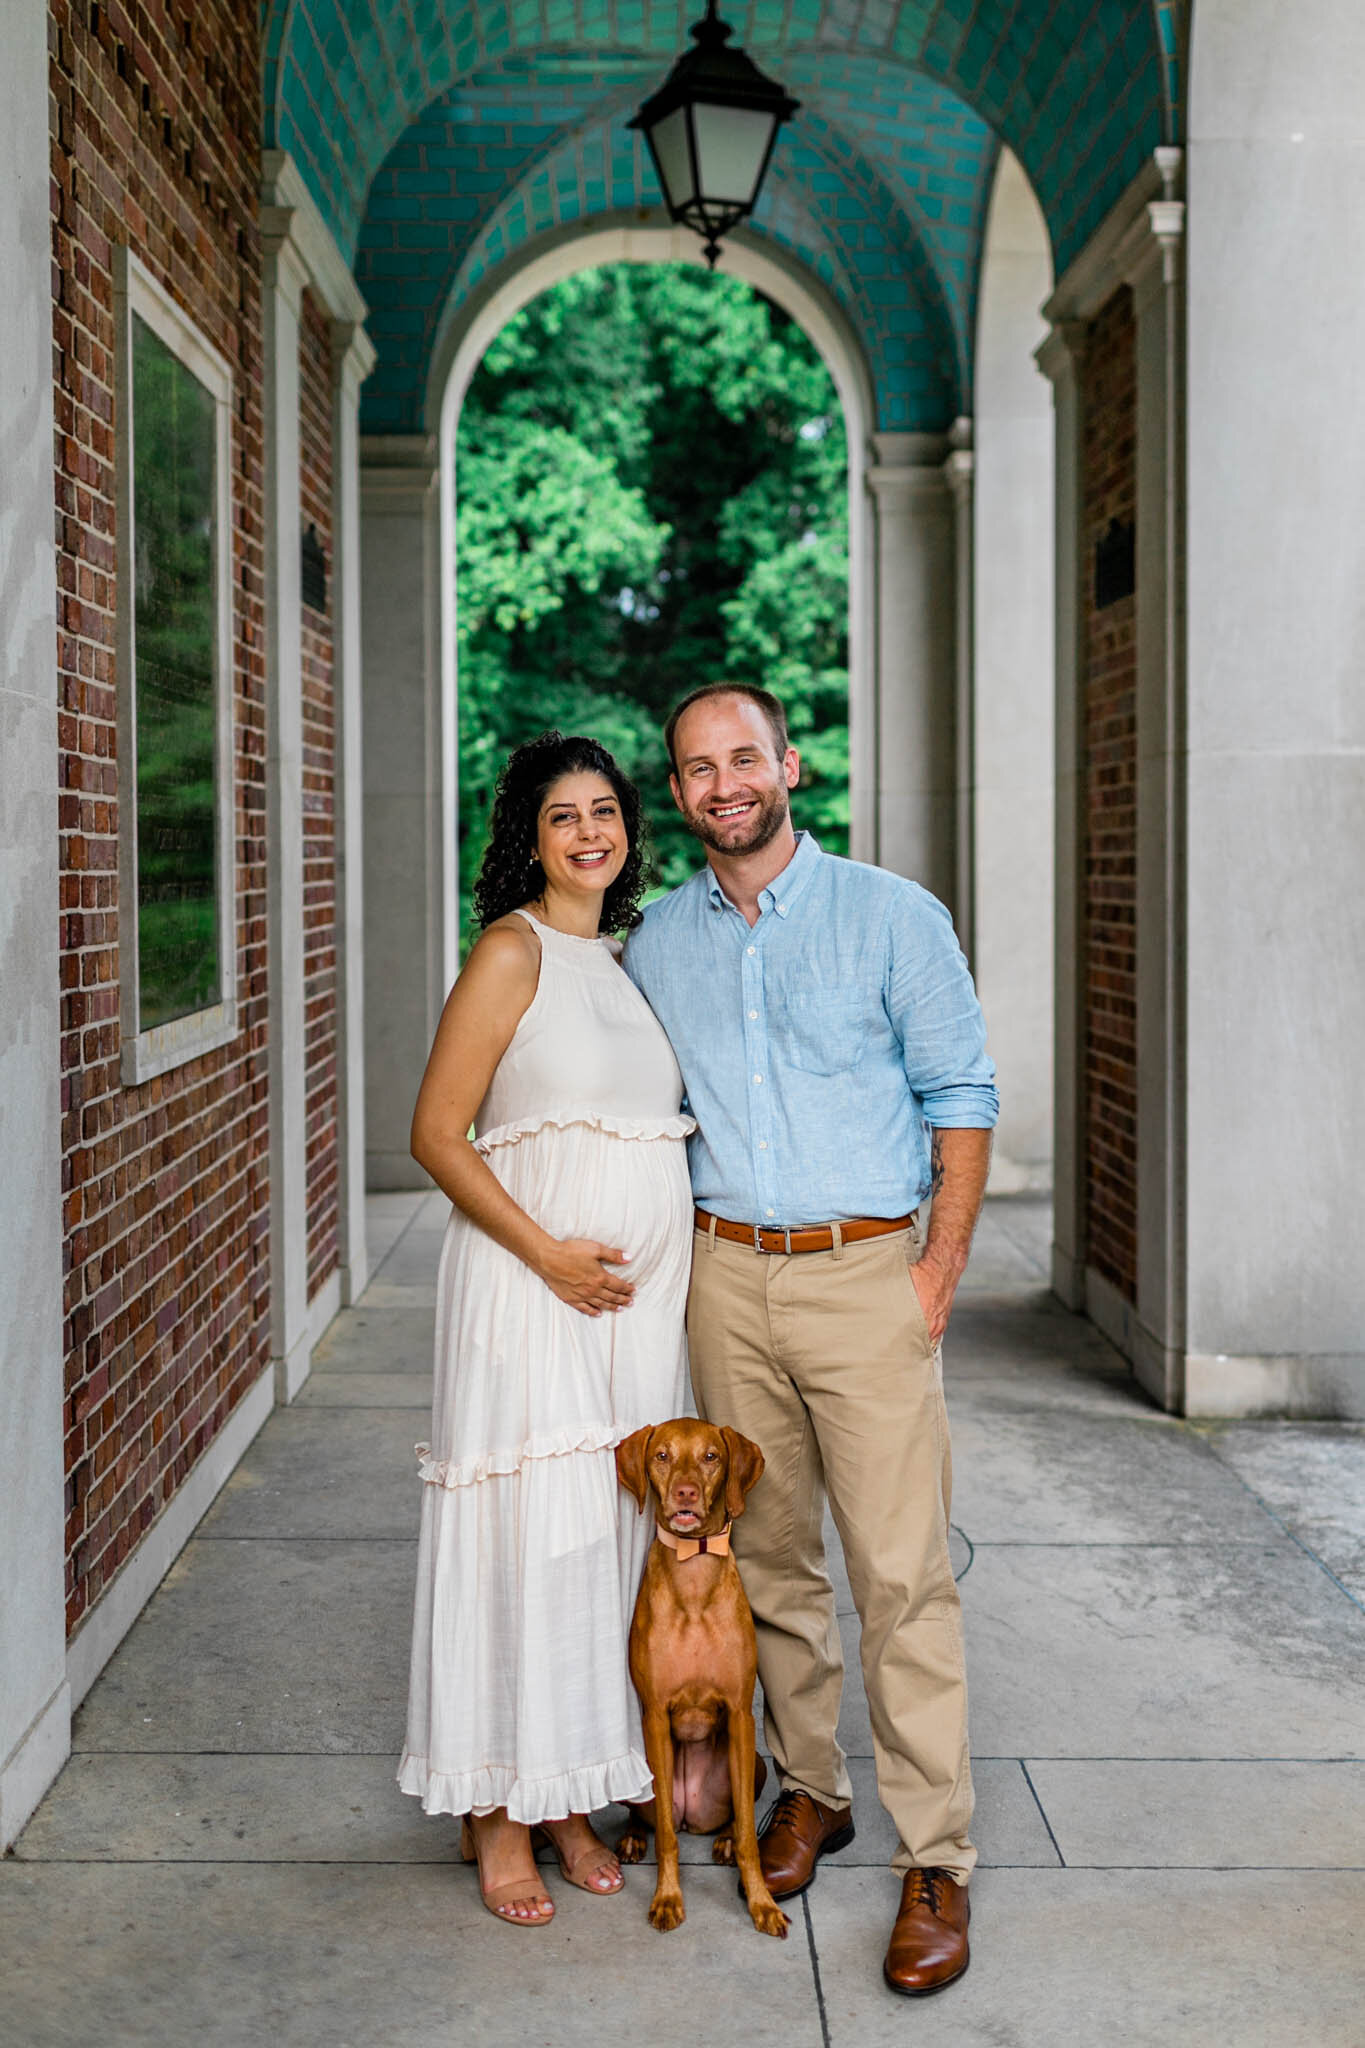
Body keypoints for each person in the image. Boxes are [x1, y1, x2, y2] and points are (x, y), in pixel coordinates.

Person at [624, 683, 998, 1995]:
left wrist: (936, 1270)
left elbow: (960, 1095)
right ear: (676, 794)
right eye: (694, 768)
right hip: (727, 1279)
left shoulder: (892, 917)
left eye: (742, 757)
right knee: (766, 1564)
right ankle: (812, 1792)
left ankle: (935, 1856)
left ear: (787, 764)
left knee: (900, 1577)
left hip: (864, 1273)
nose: (723, 783)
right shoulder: (656, 940)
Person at [398, 732, 693, 1927]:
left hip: (628, 1315)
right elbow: (436, 1131)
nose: (589, 830)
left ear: (629, 830)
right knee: (527, 1533)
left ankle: (570, 1787)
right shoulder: (510, 950)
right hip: (530, 1291)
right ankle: (496, 1811)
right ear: (528, 832)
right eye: (563, 813)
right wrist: (549, 1254)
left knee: (598, 1545)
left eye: (607, 811)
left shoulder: (621, 959)